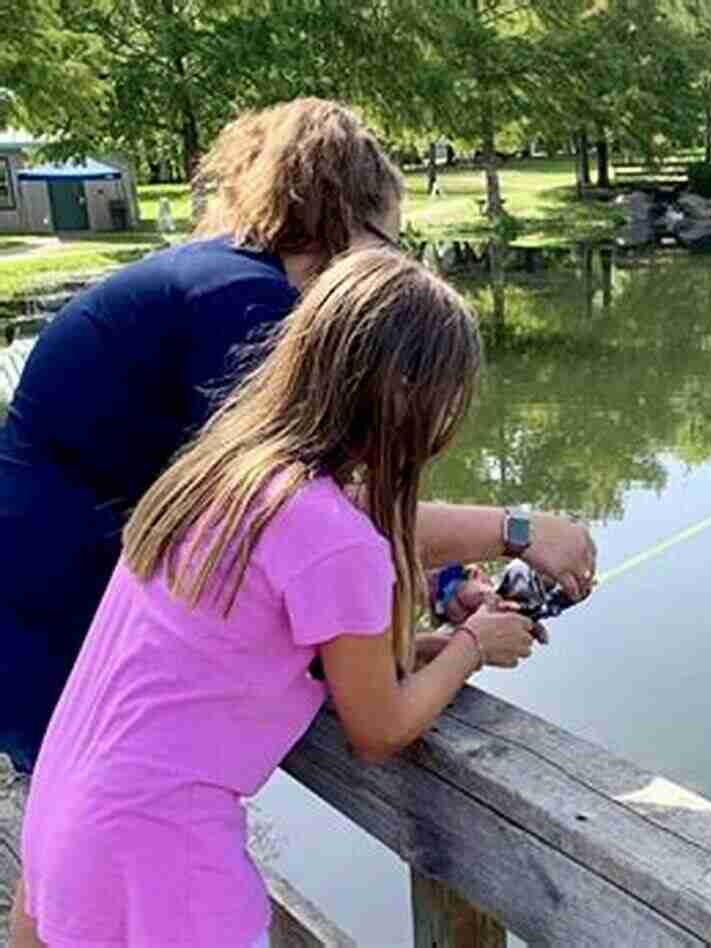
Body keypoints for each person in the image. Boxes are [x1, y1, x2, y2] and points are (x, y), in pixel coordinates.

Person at [0, 98, 593, 785]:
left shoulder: (224, 276)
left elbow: (324, 518)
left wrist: (445, 579)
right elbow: (308, 517)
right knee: (83, 809)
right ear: (347, 219)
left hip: (69, 593)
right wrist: (515, 529)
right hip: (60, 601)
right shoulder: (247, 309)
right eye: (389, 243)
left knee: (65, 835)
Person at [16, 250, 543, 948]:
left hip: (69, 809)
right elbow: (379, 728)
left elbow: (234, 650)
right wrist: (475, 647)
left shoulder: (221, 477)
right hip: (161, 847)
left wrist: (415, 649)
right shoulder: (334, 536)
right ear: (412, 400)